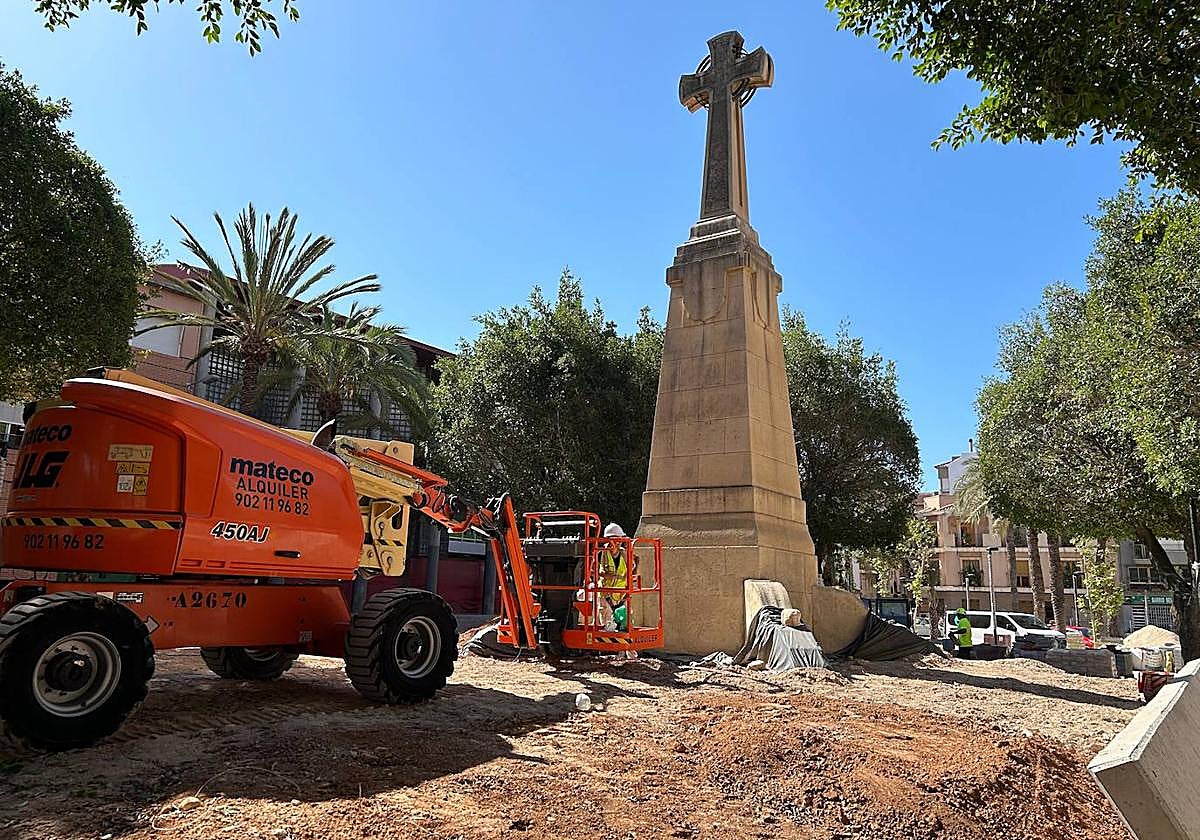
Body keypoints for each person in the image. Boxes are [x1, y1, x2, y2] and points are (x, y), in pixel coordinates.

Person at [599, 522, 630, 632]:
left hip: (621, 593)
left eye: (618, 541)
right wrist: (606, 574)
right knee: (608, 623)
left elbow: (632, 569)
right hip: (606, 593)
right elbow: (599, 571)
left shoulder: (624, 553)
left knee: (624, 622)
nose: (616, 544)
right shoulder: (603, 552)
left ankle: (624, 648)